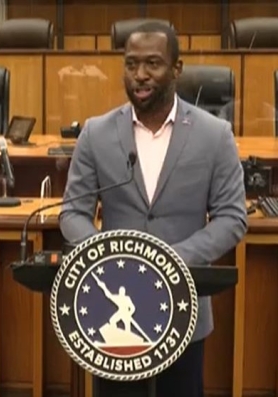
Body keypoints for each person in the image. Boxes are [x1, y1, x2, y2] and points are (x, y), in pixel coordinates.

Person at [59, 22, 247, 397]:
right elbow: (72, 213)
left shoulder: (214, 134)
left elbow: (231, 217)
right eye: (131, 64)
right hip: (113, 317)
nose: (140, 75)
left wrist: (164, 260)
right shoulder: (96, 134)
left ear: (176, 69)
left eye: (153, 64)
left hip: (184, 311)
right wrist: (111, 256)